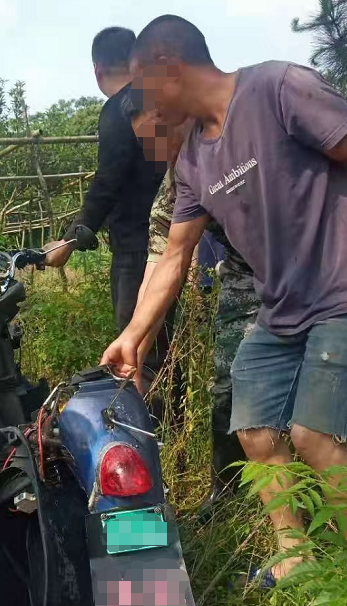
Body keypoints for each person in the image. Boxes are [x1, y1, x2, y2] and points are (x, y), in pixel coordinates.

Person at [101, 15, 347, 606]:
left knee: (314, 436)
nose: (142, 100)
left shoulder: (278, 89)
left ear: (169, 66)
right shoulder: (192, 158)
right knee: (253, 430)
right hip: (280, 311)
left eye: (143, 84)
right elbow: (174, 256)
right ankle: (294, 556)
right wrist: (133, 334)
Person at [127, 102, 260, 518]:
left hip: (308, 268)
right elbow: (162, 260)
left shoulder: (246, 135)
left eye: (157, 137)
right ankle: (228, 497)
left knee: (296, 406)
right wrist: (136, 345)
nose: (153, 151)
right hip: (244, 278)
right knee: (229, 388)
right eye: (144, 143)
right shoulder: (179, 178)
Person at [44, 27, 169, 389]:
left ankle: (150, 437)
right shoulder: (161, 104)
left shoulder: (121, 108)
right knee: (169, 347)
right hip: (177, 241)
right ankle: (176, 429)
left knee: (139, 353)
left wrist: (68, 242)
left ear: (98, 70)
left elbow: (108, 182)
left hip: (137, 247)